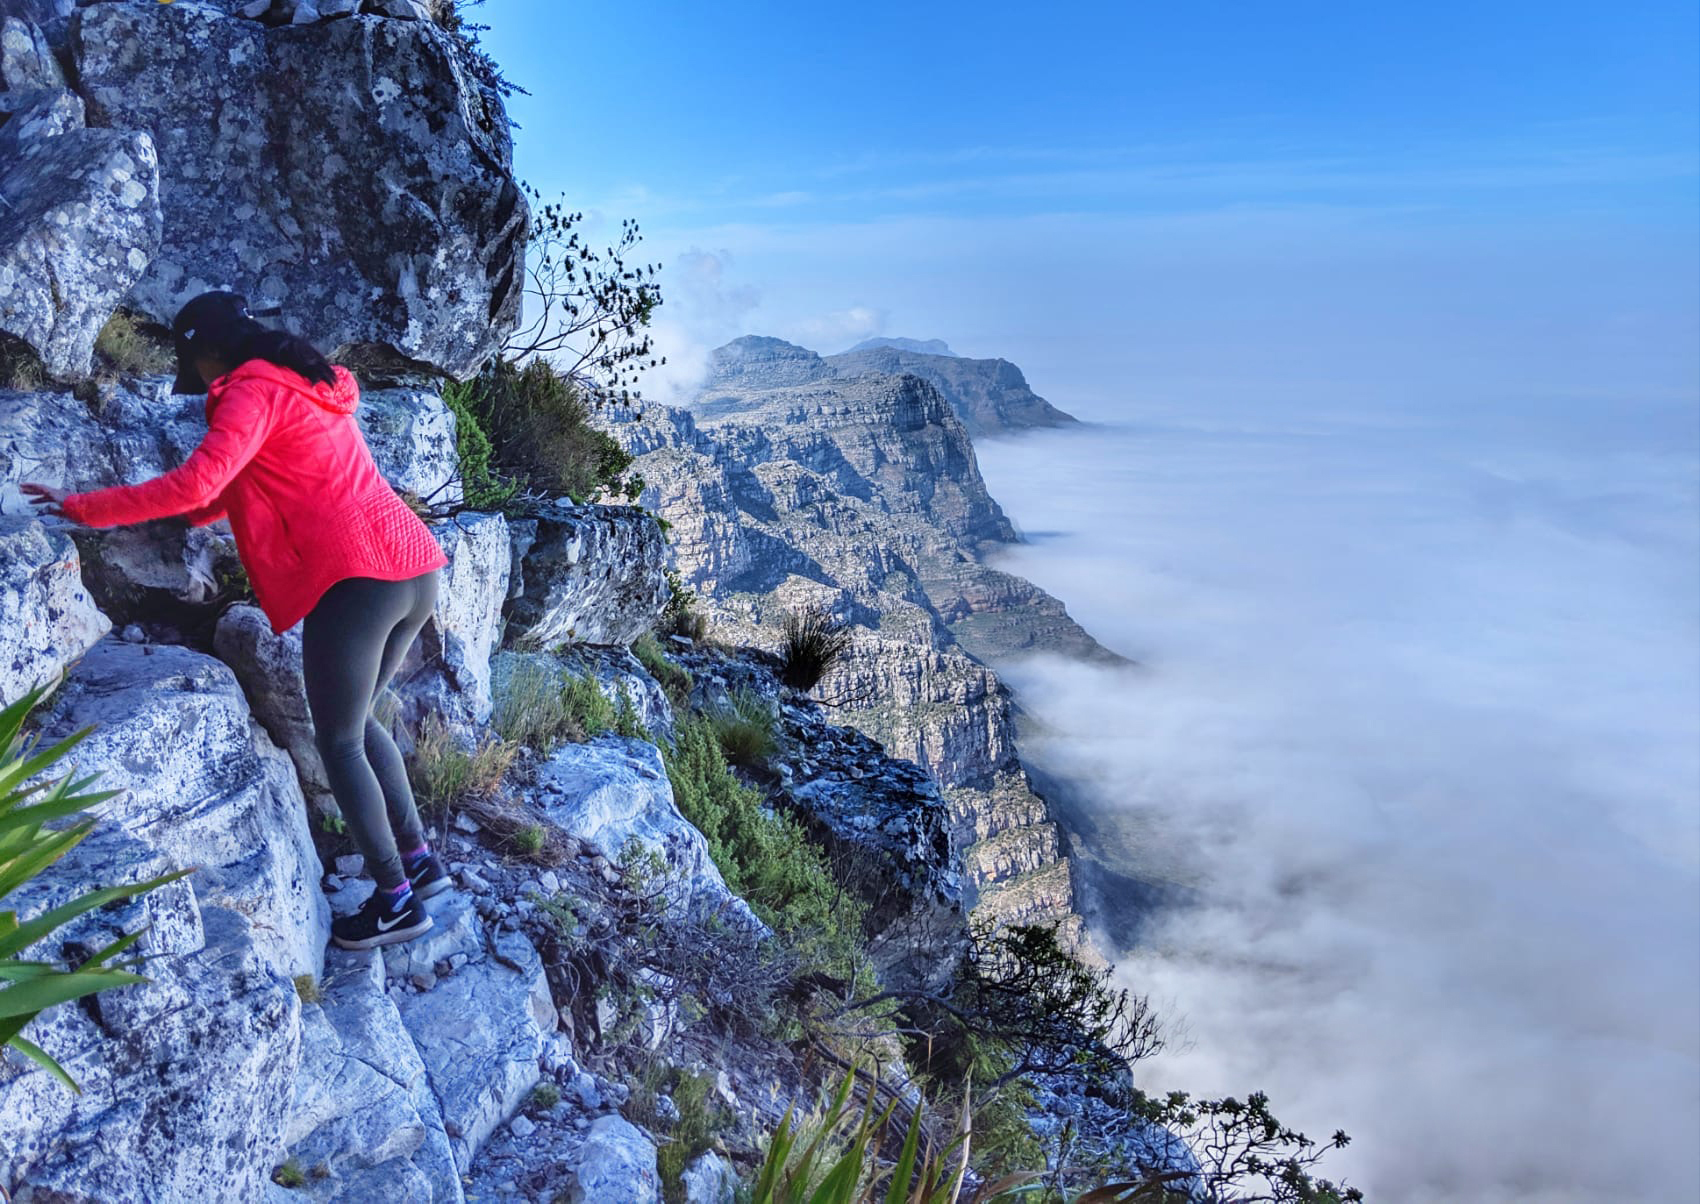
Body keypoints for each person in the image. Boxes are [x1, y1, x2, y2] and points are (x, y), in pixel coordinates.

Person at [22, 290, 453, 952]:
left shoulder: (250, 391)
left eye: (190, 363)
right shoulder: (304, 383)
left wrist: (84, 507)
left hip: (358, 579)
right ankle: (420, 865)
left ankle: (395, 900)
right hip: (413, 564)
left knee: (338, 740)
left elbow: (199, 481)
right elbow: (244, 483)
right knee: (362, 722)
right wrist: (192, 516)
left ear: (207, 352)